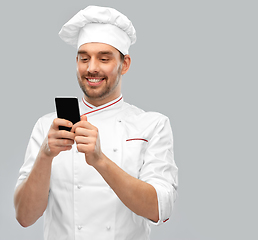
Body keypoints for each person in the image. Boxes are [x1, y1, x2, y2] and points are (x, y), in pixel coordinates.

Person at [14, 5, 178, 240]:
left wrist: (100, 160)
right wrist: (45, 155)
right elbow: (24, 216)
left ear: (125, 64)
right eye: (84, 58)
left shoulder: (151, 125)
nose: (92, 68)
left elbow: (159, 209)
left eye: (104, 58)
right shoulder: (47, 126)